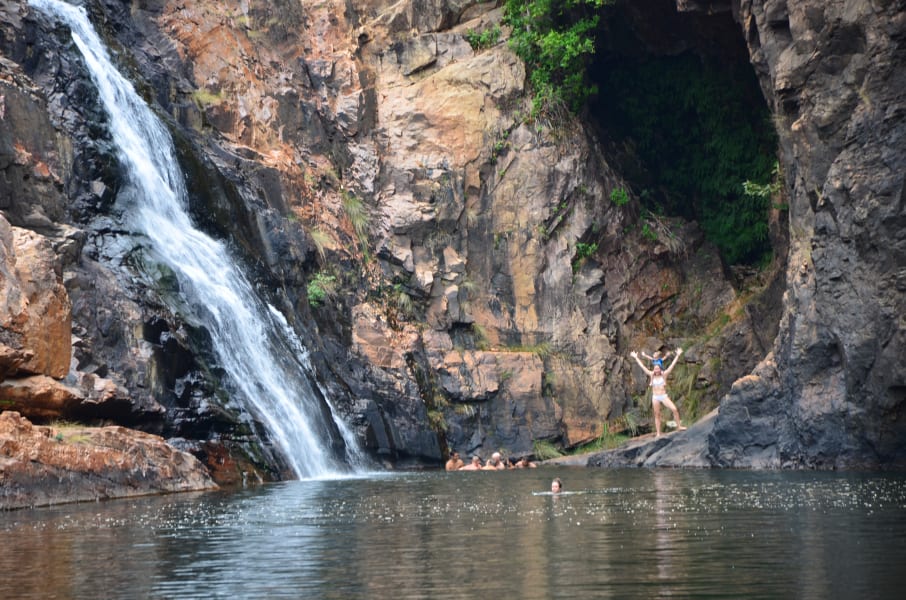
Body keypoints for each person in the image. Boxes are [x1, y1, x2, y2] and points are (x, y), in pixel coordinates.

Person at [630, 347, 687, 438]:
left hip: (663, 396)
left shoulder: (664, 374)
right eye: (655, 369)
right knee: (657, 414)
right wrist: (636, 357)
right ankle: (658, 433)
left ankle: (679, 426)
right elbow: (642, 367)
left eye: (658, 369)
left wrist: (677, 355)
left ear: (660, 369)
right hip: (655, 397)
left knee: (674, 409)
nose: (656, 370)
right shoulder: (651, 374)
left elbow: (672, 365)